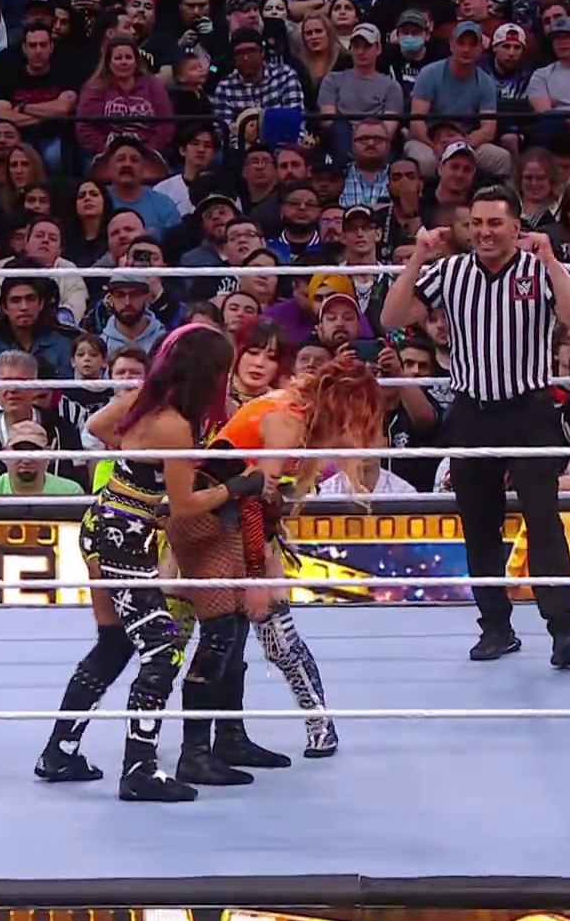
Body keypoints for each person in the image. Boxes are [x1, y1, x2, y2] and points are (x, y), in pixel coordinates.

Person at [35, 324, 269, 803]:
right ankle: (139, 769)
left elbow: (97, 427)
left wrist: (143, 462)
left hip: (104, 522)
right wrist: (236, 488)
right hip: (124, 540)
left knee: (114, 644)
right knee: (162, 648)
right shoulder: (174, 424)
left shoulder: (143, 400)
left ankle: (59, 752)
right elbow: (183, 507)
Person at [380, 185, 570, 668]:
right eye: (476, 223)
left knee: (543, 520)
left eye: (494, 223)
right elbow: (391, 316)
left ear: (516, 227)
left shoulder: (536, 270)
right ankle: (496, 627)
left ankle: (563, 629)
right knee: (479, 525)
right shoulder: (451, 271)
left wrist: (551, 261)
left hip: (529, 411)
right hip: (472, 413)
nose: (484, 232)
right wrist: (417, 259)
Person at [206, 356, 387, 758]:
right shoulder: (286, 420)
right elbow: (253, 496)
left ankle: (239, 737)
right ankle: (212, 742)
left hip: (229, 521)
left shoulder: (295, 412)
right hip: (219, 524)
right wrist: (256, 577)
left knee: (249, 637)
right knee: (234, 637)